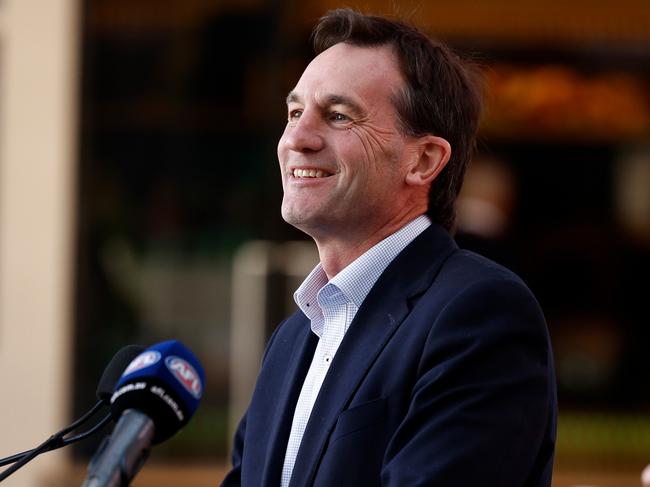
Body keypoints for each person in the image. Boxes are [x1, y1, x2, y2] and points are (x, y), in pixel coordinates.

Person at [222, 8, 556, 487]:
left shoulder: (479, 313)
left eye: (338, 116)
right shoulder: (291, 340)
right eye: (294, 112)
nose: (296, 137)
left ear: (423, 160)